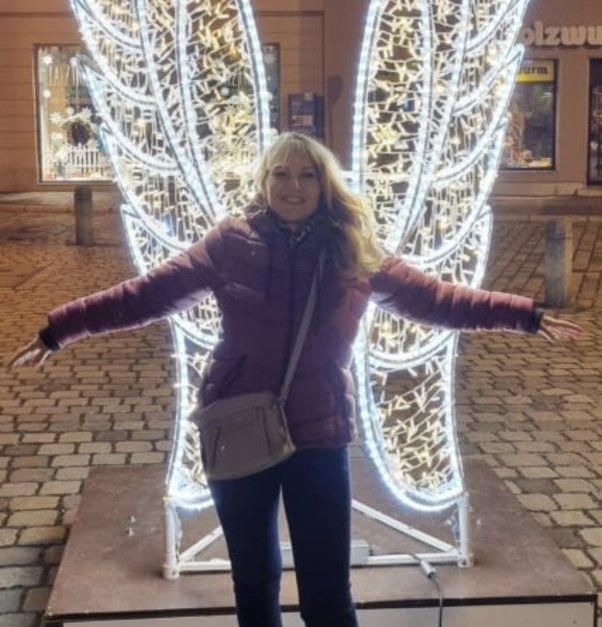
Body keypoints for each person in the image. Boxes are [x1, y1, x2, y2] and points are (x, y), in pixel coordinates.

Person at [11, 132, 582, 627]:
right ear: (264, 182)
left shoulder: (353, 249)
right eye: (281, 174)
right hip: (238, 426)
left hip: (319, 433)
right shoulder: (230, 243)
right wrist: (60, 329)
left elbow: (437, 300)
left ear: (325, 184)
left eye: (308, 175)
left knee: (328, 594)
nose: (294, 186)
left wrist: (525, 315)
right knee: (254, 582)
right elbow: (145, 295)